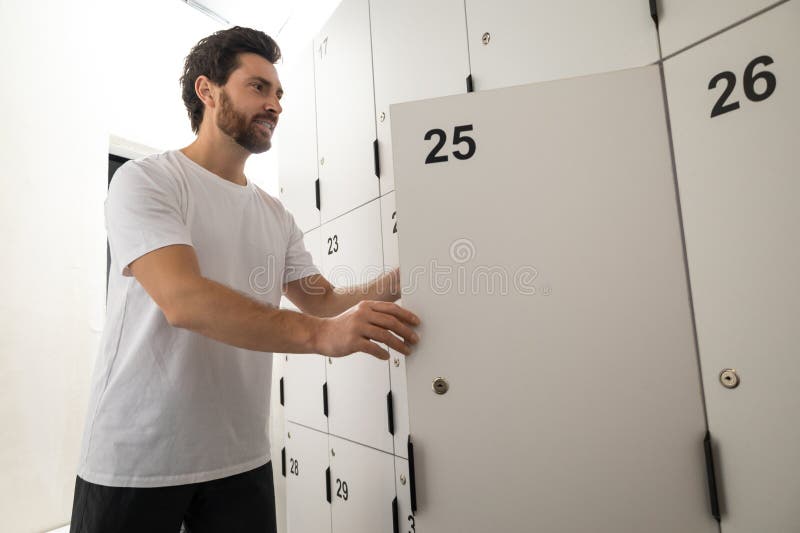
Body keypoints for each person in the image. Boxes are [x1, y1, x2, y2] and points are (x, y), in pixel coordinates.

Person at [69, 26, 420, 533]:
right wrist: (322, 336)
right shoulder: (147, 181)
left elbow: (321, 300)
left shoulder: (274, 215)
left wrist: (399, 279)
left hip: (239, 457)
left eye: (278, 93)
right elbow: (183, 299)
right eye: (258, 87)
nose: (275, 103)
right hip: (137, 459)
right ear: (207, 91)